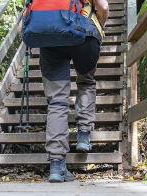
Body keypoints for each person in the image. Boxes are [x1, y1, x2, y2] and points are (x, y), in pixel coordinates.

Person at [19, 0, 109, 183]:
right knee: (86, 81)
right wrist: (101, 26)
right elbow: (103, 6)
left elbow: (23, 25)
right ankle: (84, 134)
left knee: (57, 100)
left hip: (51, 40)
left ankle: (57, 165)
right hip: (85, 33)